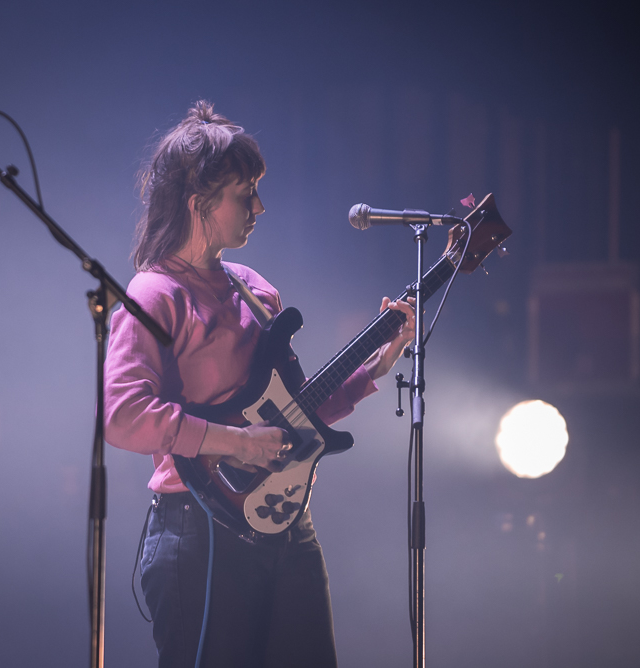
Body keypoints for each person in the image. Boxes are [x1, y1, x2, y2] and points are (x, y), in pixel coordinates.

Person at [103, 101, 415, 668]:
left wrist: (378, 366)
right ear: (199, 204)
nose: (260, 207)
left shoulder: (255, 290)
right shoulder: (152, 296)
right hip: (199, 529)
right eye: (245, 194)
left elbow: (291, 414)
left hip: (285, 524)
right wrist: (238, 444)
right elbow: (124, 416)